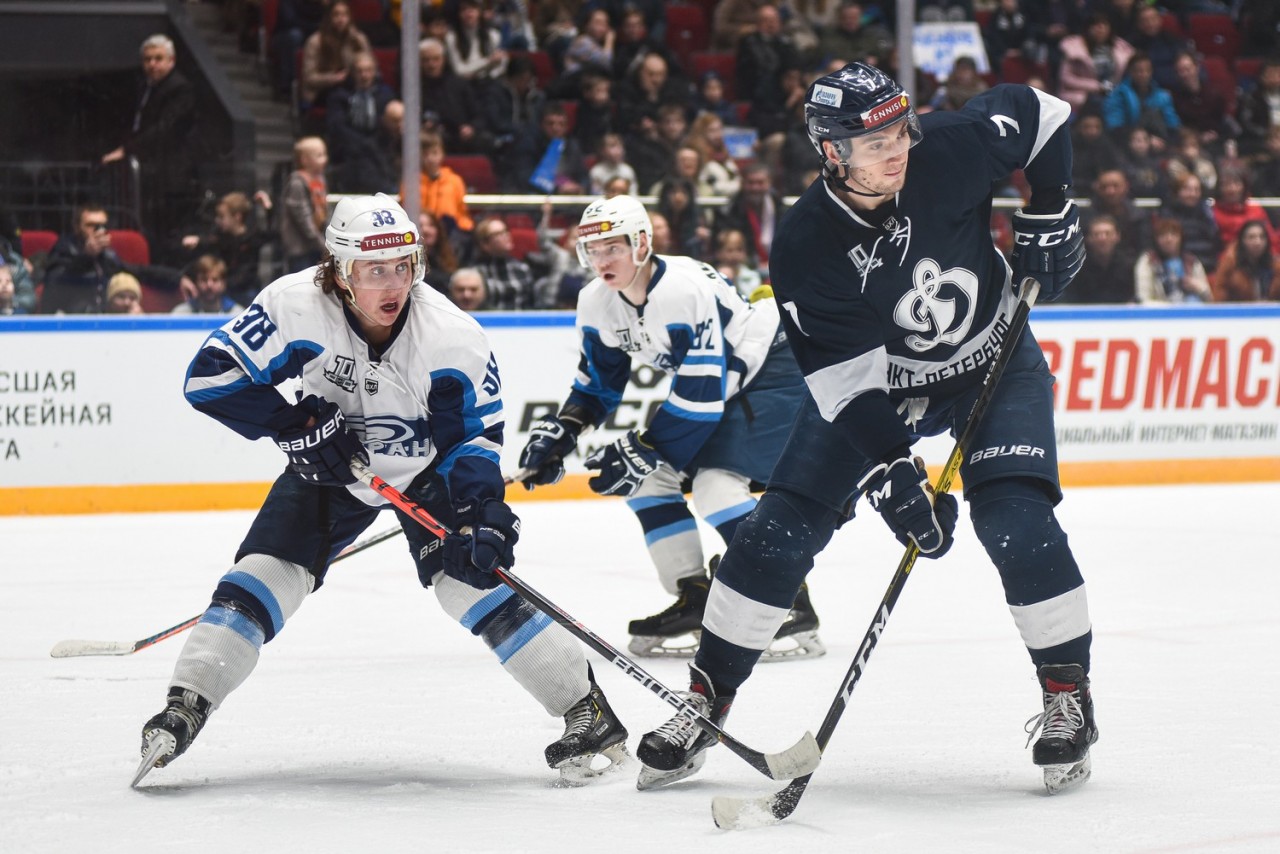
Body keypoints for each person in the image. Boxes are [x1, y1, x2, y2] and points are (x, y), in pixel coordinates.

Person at [635, 62, 1097, 797]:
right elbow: (848, 388)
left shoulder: (947, 147)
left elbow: (1043, 112)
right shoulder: (806, 244)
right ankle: (705, 700)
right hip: (880, 387)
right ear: (831, 150)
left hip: (993, 357)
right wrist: (896, 476)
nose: (896, 149)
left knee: (1016, 520)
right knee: (774, 533)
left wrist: (1052, 207)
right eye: (874, 138)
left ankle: (1067, 696)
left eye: (900, 129)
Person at [137, 194, 628, 785]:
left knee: (467, 582)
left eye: (404, 265)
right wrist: (297, 425)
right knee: (264, 574)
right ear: (340, 271)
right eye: (375, 270)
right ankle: (187, 702)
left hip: (426, 473)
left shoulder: (449, 334)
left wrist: (482, 512)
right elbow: (210, 378)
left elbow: (470, 439)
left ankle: (586, 707)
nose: (394, 282)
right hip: (333, 467)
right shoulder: (296, 306)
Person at [516, 195, 823, 661]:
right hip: (728, 383)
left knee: (716, 486)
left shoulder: (681, 290)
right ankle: (696, 596)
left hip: (774, 367)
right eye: (592, 251)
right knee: (645, 478)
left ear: (641, 243)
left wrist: (647, 444)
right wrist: (563, 434)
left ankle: (788, 599)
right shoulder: (596, 302)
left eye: (612, 248)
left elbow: (700, 398)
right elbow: (598, 386)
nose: (602, 261)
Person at [100, 34, 198, 260]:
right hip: (151, 172)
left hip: (171, 174)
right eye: (147, 59)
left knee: (166, 234)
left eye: (158, 58)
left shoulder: (180, 88)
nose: (152, 64)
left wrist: (127, 150)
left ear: (171, 61)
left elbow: (165, 128)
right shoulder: (145, 87)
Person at [179, 191, 272, 308]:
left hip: (246, 291)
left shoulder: (252, 237)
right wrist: (197, 240)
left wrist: (268, 209)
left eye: (222, 217)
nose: (218, 221)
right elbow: (209, 241)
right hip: (225, 292)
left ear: (237, 217)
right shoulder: (222, 237)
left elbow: (270, 234)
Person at [300, 1, 371, 110]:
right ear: (329, 18)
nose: (340, 19)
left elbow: (369, 65)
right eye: (336, 15)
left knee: (384, 93)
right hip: (323, 90)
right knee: (339, 95)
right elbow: (309, 78)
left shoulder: (358, 39)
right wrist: (334, 78)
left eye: (344, 15)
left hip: (354, 85)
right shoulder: (315, 41)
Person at [280, 137, 330, 274]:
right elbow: (303, 217)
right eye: (319, 155)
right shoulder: (297, 182)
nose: (324, 159)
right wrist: (322, 243)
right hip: (300, 247)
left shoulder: (320, 179)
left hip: (317, 243)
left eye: (324, 154)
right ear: (304, 160)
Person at [1059, 215, 1135, 304]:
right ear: (1088, 239)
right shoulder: (1076, 268)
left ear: (1117, 236)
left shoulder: (1129, 265)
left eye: (1108, 233)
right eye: (1096, 234)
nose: (1102, 239)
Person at [1134, 217, 1212, 304]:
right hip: (1159, 314)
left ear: (1181, 238)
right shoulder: (1148, 261)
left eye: (1174, 234)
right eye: (1163, 235)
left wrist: (1198, 287)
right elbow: (1143, 300)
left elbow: (1209, 299)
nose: (1169, 239)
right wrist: (1171, 307)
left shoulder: (1192, 262)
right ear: (1156, 240)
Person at [472, 217, 537, 310]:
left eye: (506, 231)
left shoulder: (522, 268)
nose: (506, 235)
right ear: (485, 244)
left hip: (521, 322)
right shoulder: (476, 273)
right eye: (498, 234)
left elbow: (531, 303)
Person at [1212, 218, 1280, 301]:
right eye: (1251, 237)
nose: (1257, 242)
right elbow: (1219, 298)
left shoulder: (1276, 266)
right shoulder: (1229, 265)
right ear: (1242, 240)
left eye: (1262, 237)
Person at [171, 255, 245, 314]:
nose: (209, 285)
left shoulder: (237, 314)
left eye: (215, 280)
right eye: (204, 280)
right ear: (196, 282)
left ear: (223, 283)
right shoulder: (181, 314)